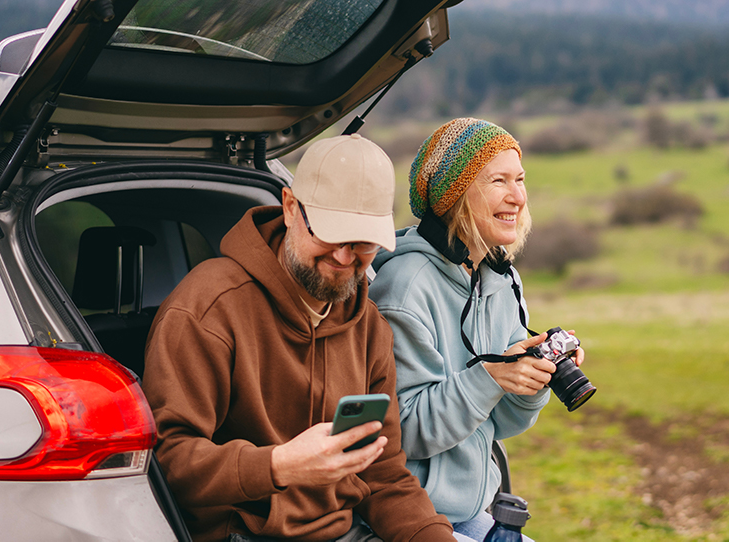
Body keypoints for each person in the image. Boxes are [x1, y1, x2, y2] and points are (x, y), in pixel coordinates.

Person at [143, 134, 459, 542]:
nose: (345, 258)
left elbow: (382, 474)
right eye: (331, 234)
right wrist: (277, 466)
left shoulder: (369, 327)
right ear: (291, 208)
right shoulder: (208, 307)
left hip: (345, 531)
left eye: (362, 242)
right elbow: (169, 461)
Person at [369, 118, 584, 540]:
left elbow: (499, 422)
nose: (517, 196)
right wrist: (489, 378)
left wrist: (533, 378)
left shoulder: (500, 279)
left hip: (470, 508)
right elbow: (403, 430)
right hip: (407, 514)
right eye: (497, 180)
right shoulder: (405, 288)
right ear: (453, 195)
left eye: (520, 179)